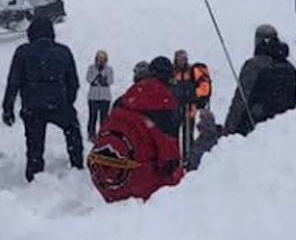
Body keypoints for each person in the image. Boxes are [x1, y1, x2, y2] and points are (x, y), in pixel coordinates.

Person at [88, 56, 184, 202]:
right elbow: (170, 158)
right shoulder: (167, 105)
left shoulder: (123, 99)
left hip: (103, 178)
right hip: (139, 185)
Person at [2, 16, 82, 182]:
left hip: (33, 106)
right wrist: (67, 102)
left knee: (34, 145)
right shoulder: (63, 51)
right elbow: (73, 82)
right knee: (72, 130)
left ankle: (34, 176)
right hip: (59, 103)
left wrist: (8, 108)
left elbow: (13, 82)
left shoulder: (23, 51)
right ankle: (77, 166)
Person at [225, 25, 296, 136]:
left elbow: (240, 100)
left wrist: (229, 131)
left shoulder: (254, 66)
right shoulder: (290, 68)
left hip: (253, 129)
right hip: (282, 132)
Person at [86, 50, 114, 142]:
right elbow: (89, 79)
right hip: (93, 97)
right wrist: (96, 77)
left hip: (105, 97)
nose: (101, 61)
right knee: (92, 116)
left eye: (103, 59)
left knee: (104, 118)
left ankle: (103, 134)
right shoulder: (91, 68)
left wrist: (103, 80)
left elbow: (110, 81)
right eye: (99, 59)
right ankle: (91, 135)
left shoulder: (109, 69)